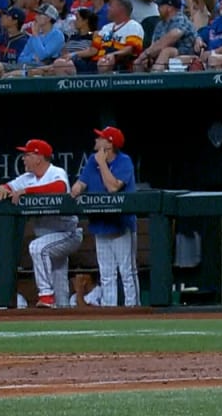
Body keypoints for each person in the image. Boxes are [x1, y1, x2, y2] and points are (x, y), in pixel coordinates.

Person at [0, 139, 82, 309]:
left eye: (27, 155)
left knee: (37, 247)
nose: (23, 158)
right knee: (61, 291)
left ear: (38, 158)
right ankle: (62, 322)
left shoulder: (56, 172)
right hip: (48, 238)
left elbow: (60, 187)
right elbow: (8, 186)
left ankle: (45, 295)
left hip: (67, 234)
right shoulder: (27, 177)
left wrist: (27, 191)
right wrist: (2, 187)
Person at [70, 127, 139, 308]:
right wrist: (76, 189)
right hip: (100, 224)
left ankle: (133, 309)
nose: (96, 139)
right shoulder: (93, 161)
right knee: (107, 273)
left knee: (127, 271)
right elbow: (80, 185)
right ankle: (110, 309)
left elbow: (113, 187)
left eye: (100, 137)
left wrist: (102, 164)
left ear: (109, 143)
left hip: (121, 225)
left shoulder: (124, 161)